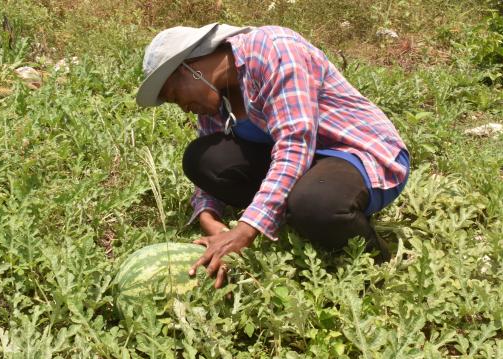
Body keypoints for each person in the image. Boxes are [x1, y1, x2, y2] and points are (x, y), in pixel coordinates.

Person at [136, 23, 410, 288]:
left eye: (175, 96)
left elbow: (294, 145)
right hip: (307, 162)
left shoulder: (273, 49)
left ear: (190, 69)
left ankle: (374, 258)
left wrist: (245, 230)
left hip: (357, 152)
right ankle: (293, 213)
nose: (184, 108)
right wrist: (209, 217)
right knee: (202, 157)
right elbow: (211, 148)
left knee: (315, 203)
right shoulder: (217, 96)